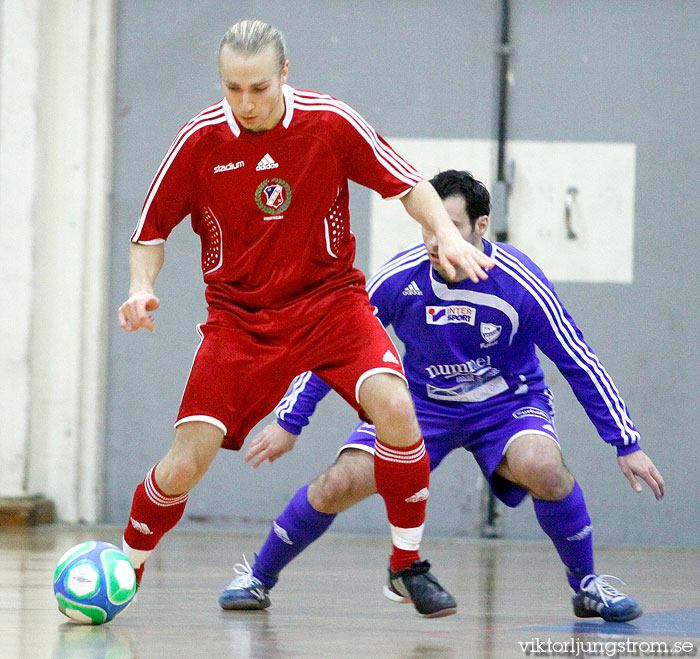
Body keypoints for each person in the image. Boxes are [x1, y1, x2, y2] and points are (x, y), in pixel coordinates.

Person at [117, 21, 495, 618]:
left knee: (396, 409)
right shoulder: (200, 141)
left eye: (258, 88)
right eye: (232, 88)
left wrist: (446, 233)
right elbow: (150, 232)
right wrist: (141, 289)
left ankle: (407, 564)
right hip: (240, 322)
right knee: (186, 460)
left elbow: (408, 184)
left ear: (284, 75)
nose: (245, 103)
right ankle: (126, 566)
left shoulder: (330, 122)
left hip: (331, 304)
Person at [218, 170, 665, 623]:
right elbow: (334, 344)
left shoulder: (520, 283)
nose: (436, 240)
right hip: (422, 408)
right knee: (339, 482)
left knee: (543, 468)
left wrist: (625, 441)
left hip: (507, 407)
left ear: (481, 227)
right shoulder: (396, 279)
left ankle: (587, 586)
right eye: (430, 226)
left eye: (449, 227)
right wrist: (290, 420)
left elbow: (577, 359)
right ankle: (257, 577)